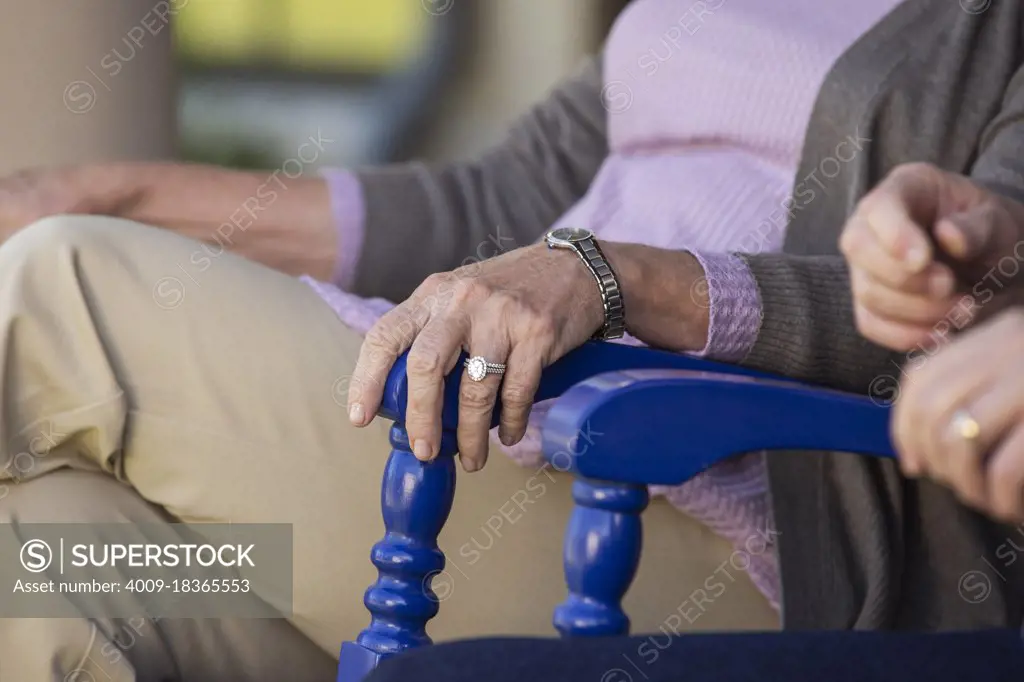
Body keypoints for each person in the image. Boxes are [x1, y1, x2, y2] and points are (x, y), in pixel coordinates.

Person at [3, 0, 1024, 680]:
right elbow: (501, 199)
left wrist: (616, 278)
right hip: (458, 485)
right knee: (46, 568)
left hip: (686, 535)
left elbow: (990, 302)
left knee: (63, 286)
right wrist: (113, 189)